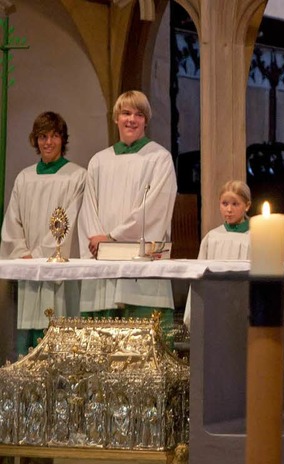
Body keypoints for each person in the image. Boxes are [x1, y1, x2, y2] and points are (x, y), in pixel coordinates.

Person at [77, 90, 177, 341]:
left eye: (138, 114)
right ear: (116, 118)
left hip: (140, 271)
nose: (131, 119)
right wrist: (98, 241)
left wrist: (111, 238)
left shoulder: (159, 158)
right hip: (103, 268)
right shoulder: (99, 161)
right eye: (126, 113)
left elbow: (155, 210)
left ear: (146, 120)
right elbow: (88, 209)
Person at [0, 112, 85, 355]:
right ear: (35, 140)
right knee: (26, 343)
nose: (48, 142)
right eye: (42, 136)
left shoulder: (76, 176)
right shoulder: (24, 178)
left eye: (55, 136)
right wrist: (24, 255)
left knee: (59, 336)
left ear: (63, 139)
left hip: (56, 270)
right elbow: (12, 223)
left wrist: (43, 257)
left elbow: (70, 219)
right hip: (28, 269)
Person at [183, 180, 251, 328]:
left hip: (243, 307)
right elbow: (198, 277)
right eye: (224, 203)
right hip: (214, 308)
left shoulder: (255, 238)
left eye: (235, 204)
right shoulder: (212, 238)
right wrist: (192, 313)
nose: (229, 209)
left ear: (247, 205)